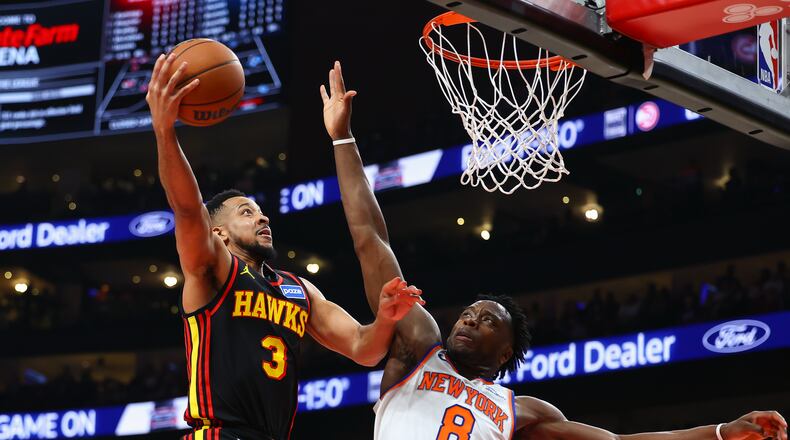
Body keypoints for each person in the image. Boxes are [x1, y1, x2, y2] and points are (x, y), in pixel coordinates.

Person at [320, 60, 789, 440]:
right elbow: (370, 238)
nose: (469, 320)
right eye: (468, 313)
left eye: (487, 321)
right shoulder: (419, 345)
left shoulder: (521, 412)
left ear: (505, 352)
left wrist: (721, 432)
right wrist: (343, 138)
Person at [146, 53, 424, 440]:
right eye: (246, 213)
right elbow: (188, 208)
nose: (262, 218)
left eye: (261, 212)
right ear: (218, 233)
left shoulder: (298, 289)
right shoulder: (214, 269)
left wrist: (387, 318)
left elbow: (364, 348)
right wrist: (164, 131)